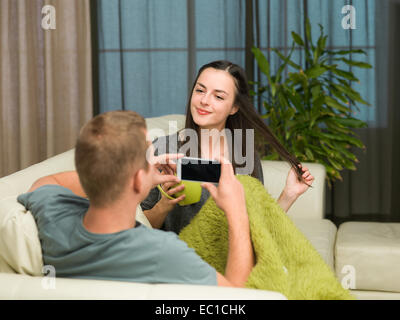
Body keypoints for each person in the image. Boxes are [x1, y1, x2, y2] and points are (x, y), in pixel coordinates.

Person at [17, 110, 254, 287]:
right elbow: (236, 294)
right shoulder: (161, 252)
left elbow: (45, 182)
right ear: (137, 180)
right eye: (147, 153)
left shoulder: (54, 215)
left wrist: (115, 174)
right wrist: (237, 211)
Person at [141, 60, 315, 233]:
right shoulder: (164, 149)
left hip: (233, 258)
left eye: (218, 96)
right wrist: (165, 202)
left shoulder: (244, 156)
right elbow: (140, 228)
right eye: (200, 90)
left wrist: (289, 195)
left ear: (234, 107)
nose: (204, 100)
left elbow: (258, 232)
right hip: (180, 256)